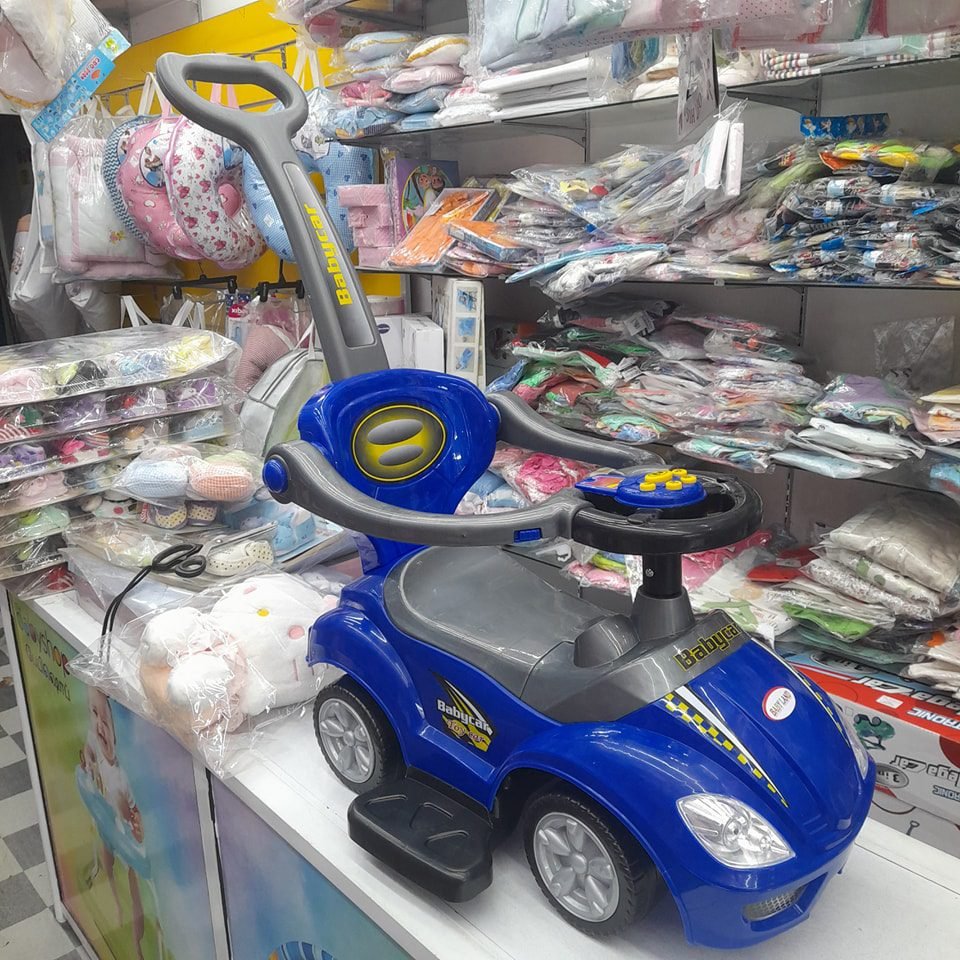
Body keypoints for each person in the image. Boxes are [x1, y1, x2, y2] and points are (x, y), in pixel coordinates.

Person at [79, 689, 147, 960]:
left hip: (123, 831)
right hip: (106, 822)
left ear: (116, 730)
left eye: (105, 720)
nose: (99, 725)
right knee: (106, 852)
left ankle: (137, 943)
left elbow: (134, 817)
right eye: (93, 714)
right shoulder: (93, 740)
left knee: (134, 883)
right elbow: (87, 754)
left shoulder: (121, 780)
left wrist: (136, 826)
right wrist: (88, 763)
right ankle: (112, 899)